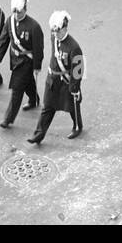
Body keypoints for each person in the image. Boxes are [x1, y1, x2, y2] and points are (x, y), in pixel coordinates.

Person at [28, 9, 84, 144]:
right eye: (54, 31)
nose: (56, 34)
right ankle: (39, 134)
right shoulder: (54, 37)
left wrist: (75, 87)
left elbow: (78, 71)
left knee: (71, 106)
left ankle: (77, 126)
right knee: (47, 106)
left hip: (66, 82)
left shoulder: (74, 47)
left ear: (65, 28)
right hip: (52, 79)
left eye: (58, 30)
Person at [0, 0, 44, 128]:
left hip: (26, 62)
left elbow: (38, 48)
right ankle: (34, 99)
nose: (17, 15)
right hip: (15, 59)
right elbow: (3, 40)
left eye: (20, 12)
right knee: (27, 83)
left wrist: (37, 66)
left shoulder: (34, 27)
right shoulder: (10, 21)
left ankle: (8, 118)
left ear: (25, 10)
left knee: (17, 89)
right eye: (15, 12)